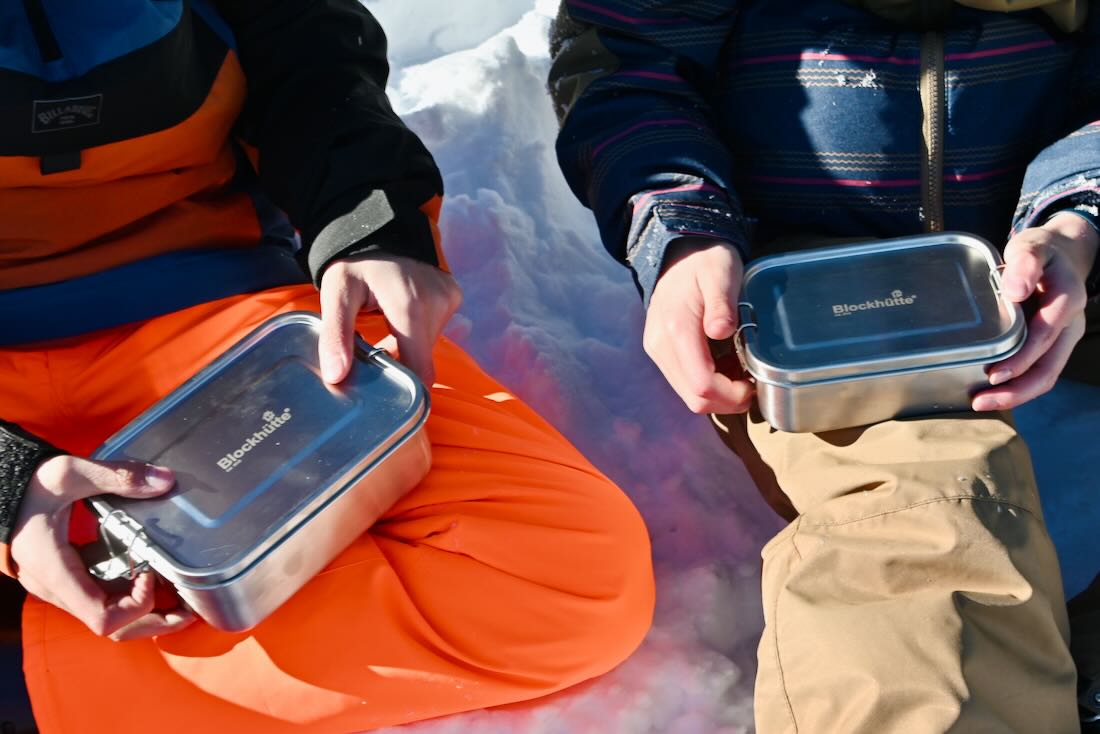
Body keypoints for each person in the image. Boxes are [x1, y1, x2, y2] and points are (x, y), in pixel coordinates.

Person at [0, 2, 656, 731]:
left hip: (224, 320)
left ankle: (30, 687)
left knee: (574, 581)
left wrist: (367, 223)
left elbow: (308, 52)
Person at [549, 0, 1099, 731]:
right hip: (818, 296)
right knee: (920, 516)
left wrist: (1078, 215)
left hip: (1068, 247)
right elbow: (627, 58)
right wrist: (680, 227)